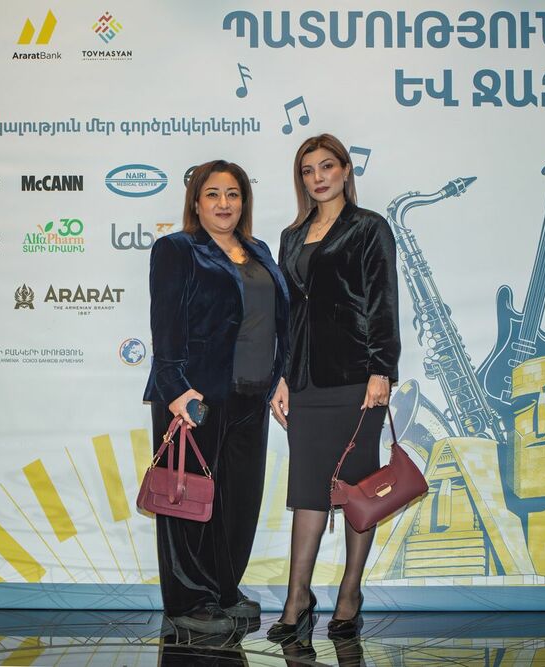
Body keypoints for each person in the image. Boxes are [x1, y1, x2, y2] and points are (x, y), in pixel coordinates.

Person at [143, 159, 290, 634]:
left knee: (239, 502)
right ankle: (190, 599)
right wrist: (174, 388)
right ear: (196, 202)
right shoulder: (177, 249)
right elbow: (165, 325)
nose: (224, 203)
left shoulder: (259, 250)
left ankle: (225, 589)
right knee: (188, 499)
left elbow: (274, 320)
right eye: (213, 194)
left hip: (253, 393)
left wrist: (281, 376)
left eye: (233, 194)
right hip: (195, 396)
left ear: (244, 201)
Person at [268, 134, 400, 641]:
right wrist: (282, 375)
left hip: (356, 378)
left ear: (346, 170)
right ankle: (297, 599)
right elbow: (286, 314)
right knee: (307, 488)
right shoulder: (291, 236)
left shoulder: (369, 227)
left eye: (327, 166)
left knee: (357, 488)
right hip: (304, 381)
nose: (318, 177)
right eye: (308, 170)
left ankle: (349, 595)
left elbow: (382, 299)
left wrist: (382, 369)